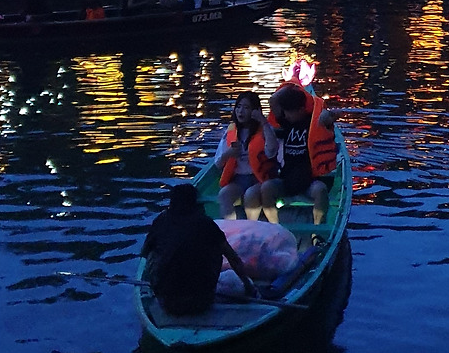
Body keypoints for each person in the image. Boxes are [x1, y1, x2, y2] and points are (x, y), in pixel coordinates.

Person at [141, 183, 257, 317]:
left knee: (154, 251)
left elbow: (145, 253)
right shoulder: (206, 224)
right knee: (217, 250)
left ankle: (152, 291)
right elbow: (233, 258)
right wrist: (248, 286)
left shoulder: (160, 221)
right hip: (202, 300)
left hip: (166, 301)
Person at [258, 82, 337, 226]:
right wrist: (292, 85)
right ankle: (275, 226)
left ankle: (317, 229)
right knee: (266, 188)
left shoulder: (315, 122)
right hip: (287, 179)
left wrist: (327, 114)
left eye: (289, 112)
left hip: (309, 181)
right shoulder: (286, 123)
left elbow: (331, 117)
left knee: (320, 190)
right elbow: (273, 100)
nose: (285, 115)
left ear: (300, 110)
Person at [216, 92, 278, 218]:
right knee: (224, 194)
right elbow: (218, 163)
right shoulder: (231, 131)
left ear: (255, 111)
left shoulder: (264, 129)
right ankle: (230, 228)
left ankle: (251, 226)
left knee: (250, 194)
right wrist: (228, 154)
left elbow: (272, 151)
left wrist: (263, 121)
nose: (241, 111)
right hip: (238, 179)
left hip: (259, 178)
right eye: (239, 107)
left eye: (246, 107)